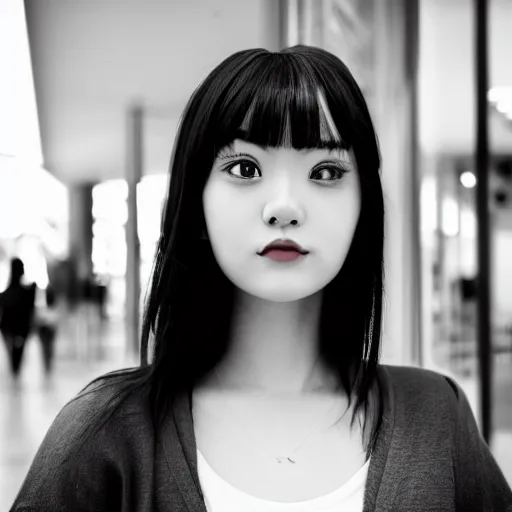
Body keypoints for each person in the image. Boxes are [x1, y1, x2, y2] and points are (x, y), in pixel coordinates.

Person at [10, 46, 512, 511]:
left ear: (365, 208)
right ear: (196, 200)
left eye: (327, 172)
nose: (285, 207)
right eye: (246, 168)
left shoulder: (437, 419)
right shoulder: (105, 431)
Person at [0, 257, 36, 379]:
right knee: (16, 355)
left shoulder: (9, 294)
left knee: (15, 355)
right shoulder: (25, 293)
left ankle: (15, 372)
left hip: (13, 328)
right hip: (16, 328)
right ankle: (15, 373)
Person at [35, 285, 59, 376]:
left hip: (47, 331)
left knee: (47, 348)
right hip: (46, 331)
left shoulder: (44, 308)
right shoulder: (46, 308)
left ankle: (47, 365)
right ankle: (47, 365)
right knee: (48, 348)